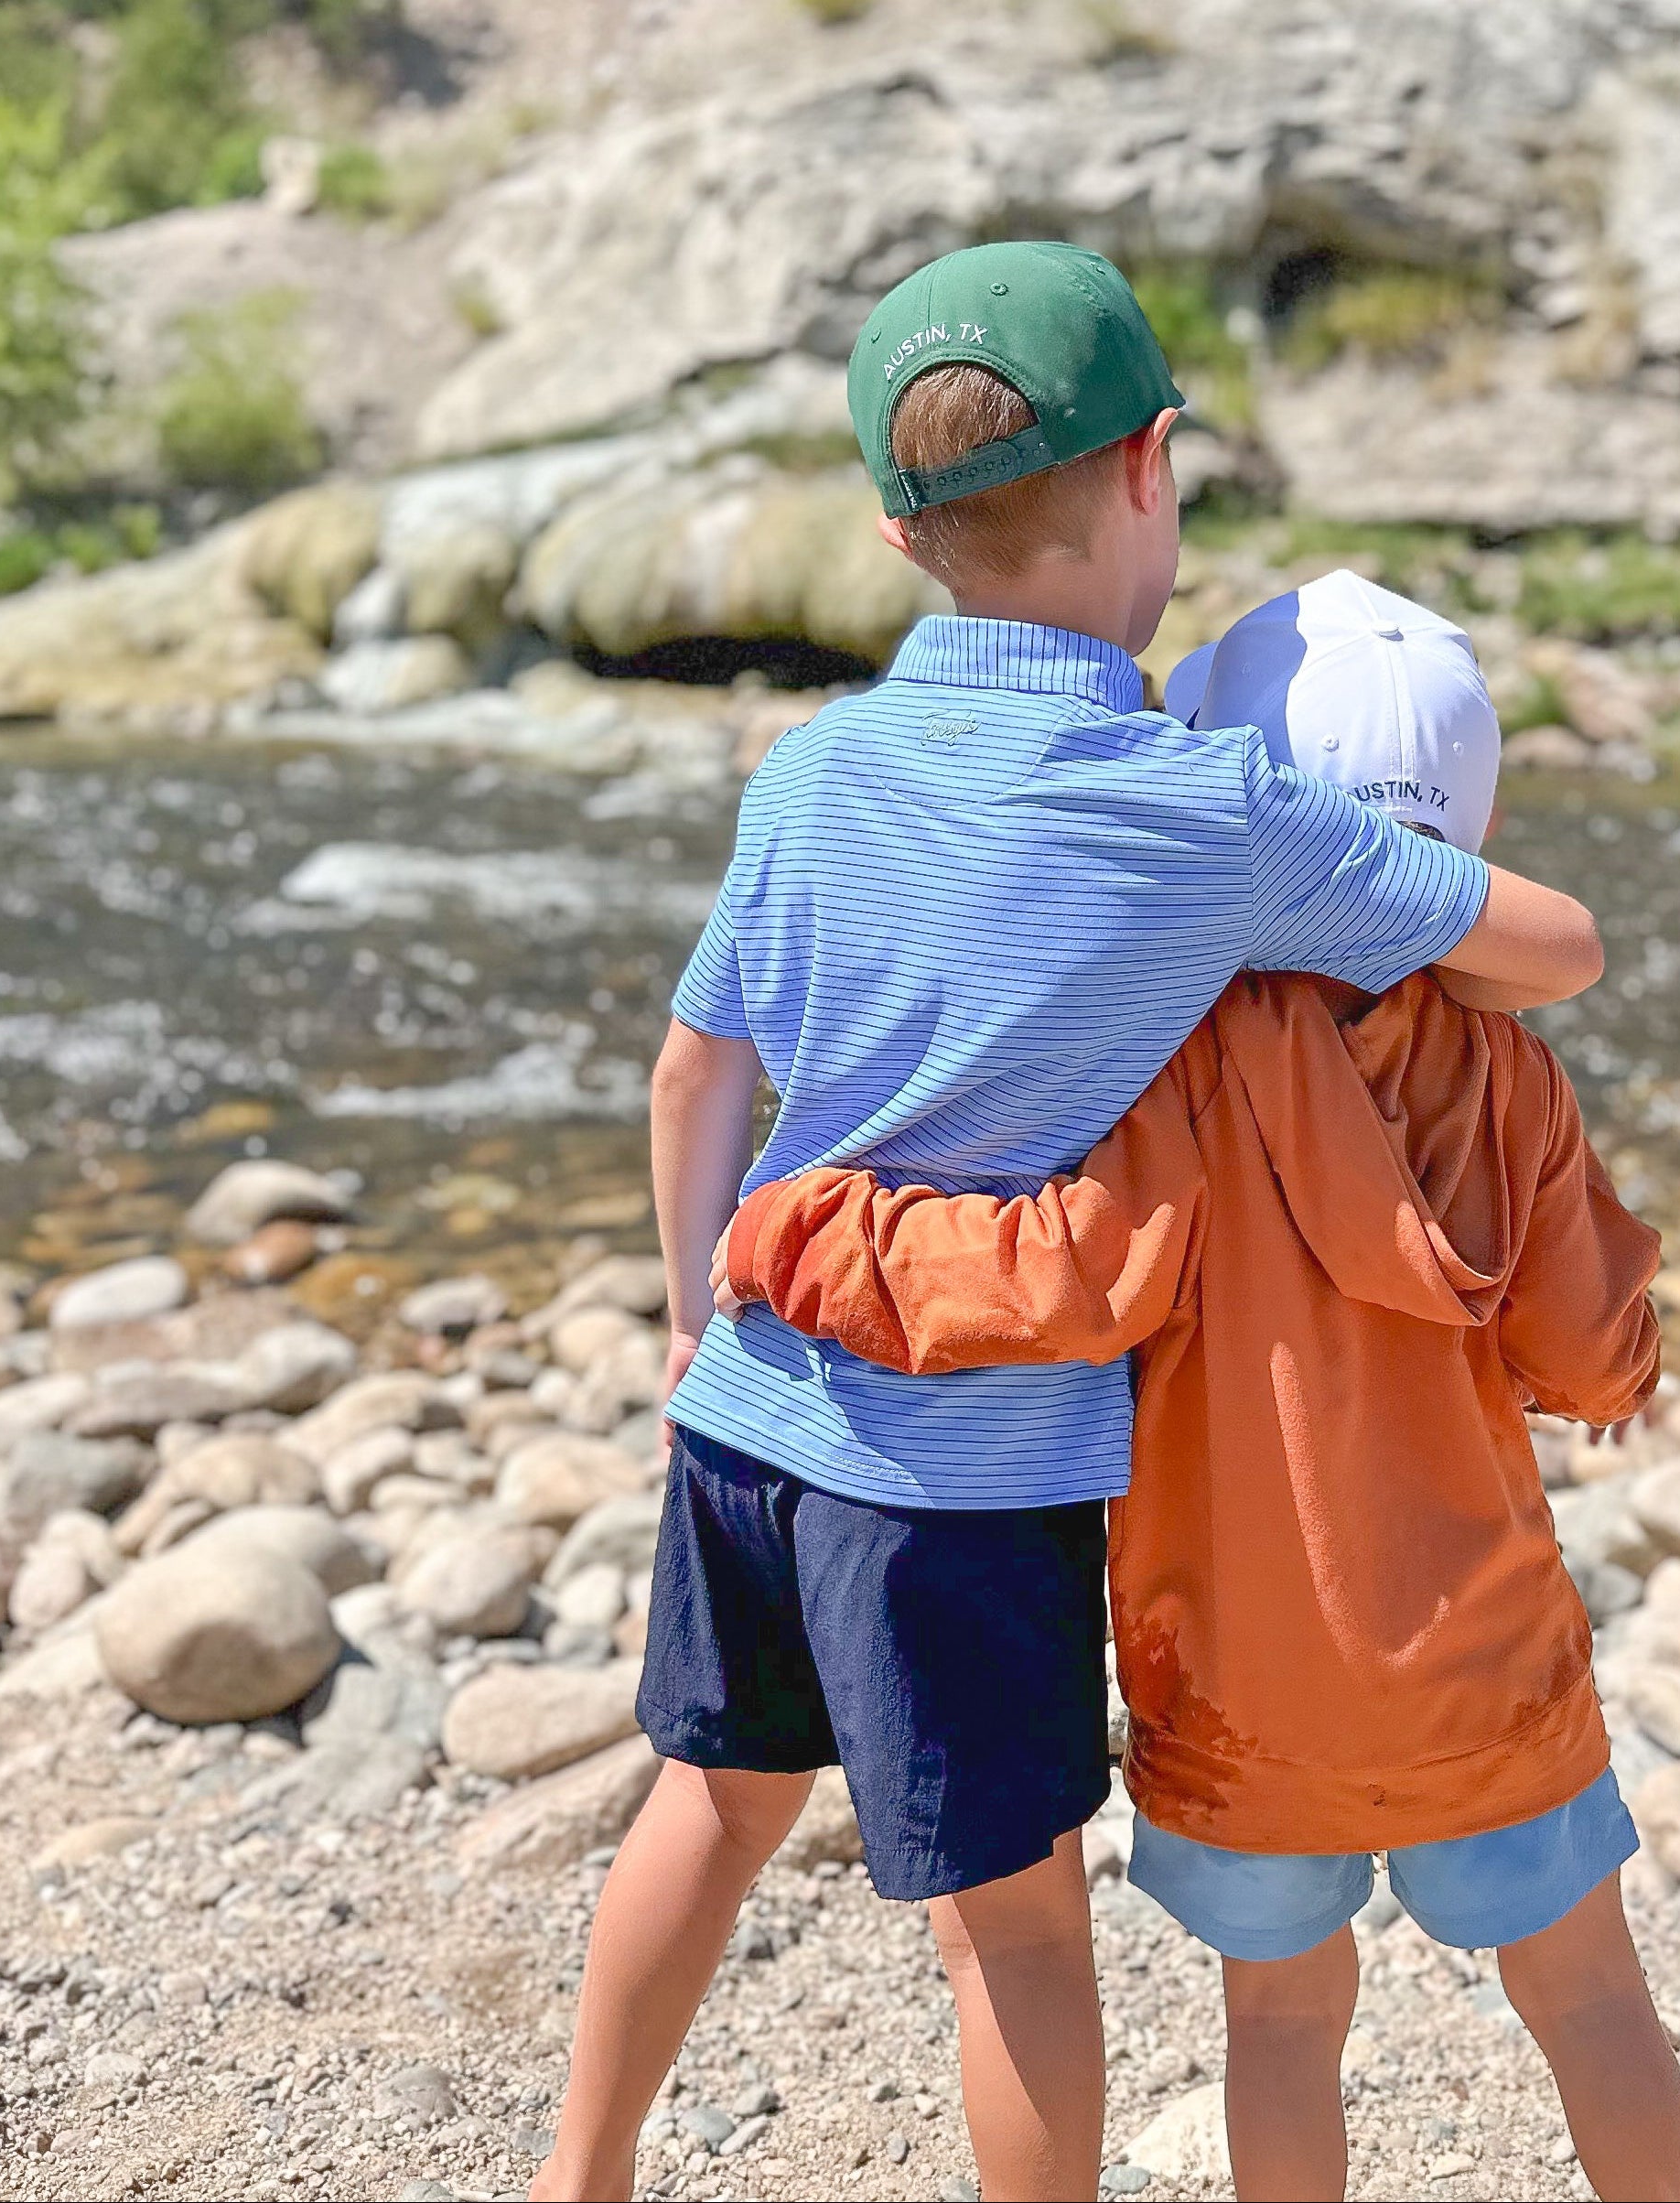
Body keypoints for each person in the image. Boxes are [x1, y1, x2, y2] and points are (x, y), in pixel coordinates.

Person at [531, 241, 1609, 2203]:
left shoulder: (808, 769)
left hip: (747, 1416)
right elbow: (1553, 946)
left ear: (889, 523)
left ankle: (573, 2179)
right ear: (1152, 469)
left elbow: (696, 1076)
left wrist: (696, 1324)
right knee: (1014, 1932)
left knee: (706, 1803)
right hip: (956, 1472)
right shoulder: (1196, 807)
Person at [711, 571, 1680, 2203]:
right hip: (1487, 1665)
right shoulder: (1508, 1069)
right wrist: (1627, 1354)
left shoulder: (1176, 1062)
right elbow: (1588, 1349)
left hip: (1247, 1680)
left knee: (1285, 2029)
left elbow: (1054, 1279)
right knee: (1591, 1997)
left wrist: (805, 1224)